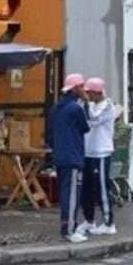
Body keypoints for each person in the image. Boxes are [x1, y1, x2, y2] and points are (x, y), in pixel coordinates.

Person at [45, 73, 91, 243]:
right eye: (82, 86)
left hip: (60, 155)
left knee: (65, 192)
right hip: (73, 156)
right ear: (75, 88)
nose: (84, 89)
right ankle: (69, 230)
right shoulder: (75, 108)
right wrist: (86, 104)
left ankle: (67, 226)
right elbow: (86, 127)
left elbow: (49, 134)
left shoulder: (56, 107)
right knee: (72, 195)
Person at [73, 77, 117, 237]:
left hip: (101, 153)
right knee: (86, 189)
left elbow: (94, 120)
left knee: (101, 188)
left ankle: (109, 223)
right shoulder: (89, 104)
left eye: (89, 93)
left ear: (97, 92)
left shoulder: (108, 106)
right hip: (87, 152)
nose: (87, 96)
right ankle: (89, 220)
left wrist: (85, 104)